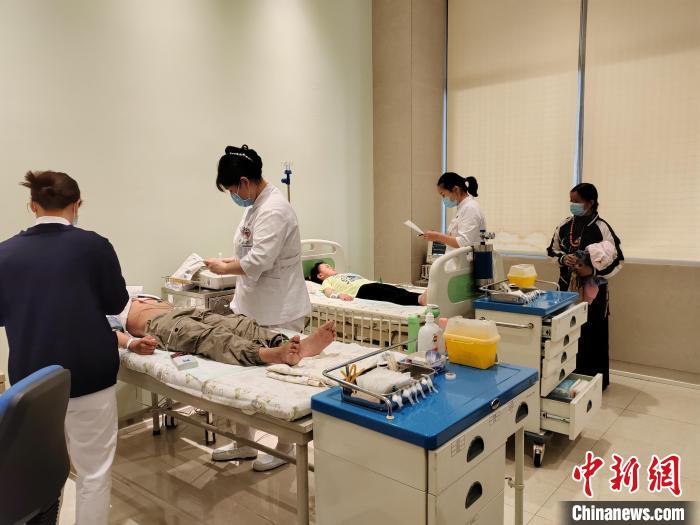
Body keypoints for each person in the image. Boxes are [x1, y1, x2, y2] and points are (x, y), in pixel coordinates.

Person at [0, 171, 129, 525]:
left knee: (39, 476)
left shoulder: (4, 255)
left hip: (33, 386)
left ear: (32, 206)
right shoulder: (94, 246)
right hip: (90, 377)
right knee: (93, 472)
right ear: (77, 205)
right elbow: (117, 304)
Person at [202, 144, 311, 470]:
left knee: (279, 379)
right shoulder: (254, 207)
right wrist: (229, 261)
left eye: (232, 190)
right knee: (243, 377)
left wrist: (225, 268)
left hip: (279, 309)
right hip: (251, 306)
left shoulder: (275, 209)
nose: (233, 196)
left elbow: (260, 260)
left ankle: (285, 449)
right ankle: (244, 445)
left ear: (245, 182)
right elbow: (249, 250)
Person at [108, 295, 336, 365]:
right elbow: (108, 332)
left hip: (184, 310)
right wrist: (131, 344)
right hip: (161, 324)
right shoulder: (98, 305)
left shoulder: (126, 290)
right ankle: (271, 355)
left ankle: (290, 345)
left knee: (238, 324)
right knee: (210, 338)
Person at [547, 183, 623, 390]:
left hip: (593, 293)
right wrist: (564, 259)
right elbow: (551, 251)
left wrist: (592, 271)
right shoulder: (564, 225)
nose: (572, 205)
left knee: (592, 335)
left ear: (590, 203)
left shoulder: (602, 227)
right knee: (567, 333)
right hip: (566, 291)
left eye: (576, 201)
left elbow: (618, 260)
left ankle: (594, 385)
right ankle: (566, 381)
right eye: (570, 201)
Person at [308, 262, 427, 306]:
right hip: (360, 290)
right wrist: (339, 295)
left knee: (394, 289)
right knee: (390, 295)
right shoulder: (327, 281)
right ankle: (418, 300)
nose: (332, 267)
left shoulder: (341, 274)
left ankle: (419, 296)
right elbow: (328, 292)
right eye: (327, 267)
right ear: (320, 275)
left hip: (369, 284)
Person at [423, 172, 486, 250]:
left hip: (465, 257)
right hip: (456, 257)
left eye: (443, 194)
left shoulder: (471, 208)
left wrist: (437, 236)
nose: (443, 199)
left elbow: (464, 242)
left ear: (456, 189)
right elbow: (455, 240)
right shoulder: (462, 208)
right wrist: (435, 237)